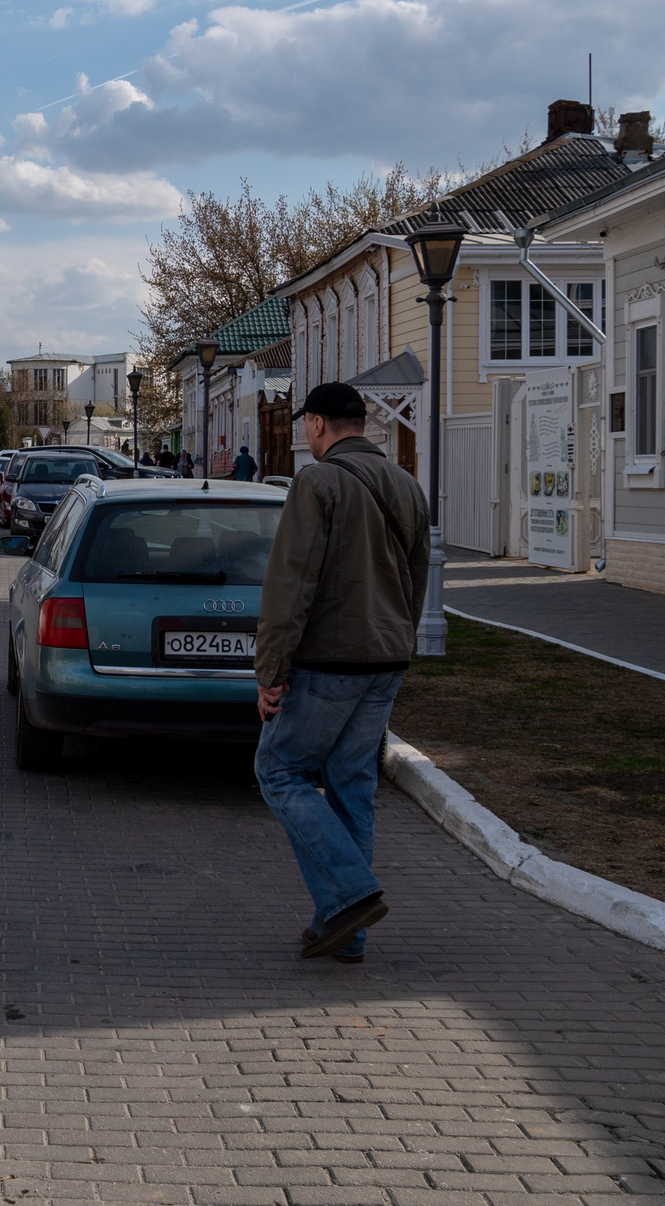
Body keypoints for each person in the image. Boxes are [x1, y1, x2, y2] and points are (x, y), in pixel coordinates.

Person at [254, 381, 430, 964]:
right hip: (387, 658)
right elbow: (417, 577)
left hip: (330, 662)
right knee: (352, 785)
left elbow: (291, 583)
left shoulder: (318, 482)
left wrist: (270, 671)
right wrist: (402, 639)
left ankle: (352, 896)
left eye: (307, 424)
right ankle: (344, 929)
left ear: (319, 425)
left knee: (279, 770)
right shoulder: (406, 484)